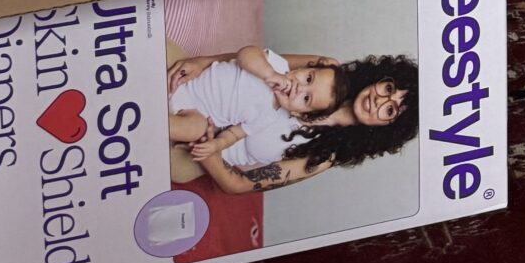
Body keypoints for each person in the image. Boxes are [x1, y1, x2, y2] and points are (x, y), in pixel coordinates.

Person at [172, 48, 420, 196]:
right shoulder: (327, 68)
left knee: (167, 154)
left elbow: (237, 185)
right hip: (202, 88)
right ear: (379, 77)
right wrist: (203, 61)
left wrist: (209, 150)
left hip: (200, 153)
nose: (379, 100)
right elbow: (259, 59)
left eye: (390, 109)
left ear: (386, 127)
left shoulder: (323, 155)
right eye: (388, 88)